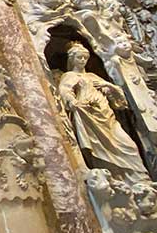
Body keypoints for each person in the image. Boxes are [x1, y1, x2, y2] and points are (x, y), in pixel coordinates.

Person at [58, 41, 148, 182]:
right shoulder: (69, 76)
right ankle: (115, 178)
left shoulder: (93, 76)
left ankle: (139, 178)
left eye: (85, 57)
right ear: (72, 59)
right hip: (89, 115)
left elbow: (118, 99)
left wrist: (108, 86)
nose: (82, 60)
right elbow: (64, 90)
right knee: (99, 148)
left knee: (129, 145)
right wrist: (72, 101)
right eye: (79, 57)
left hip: (106, 114)